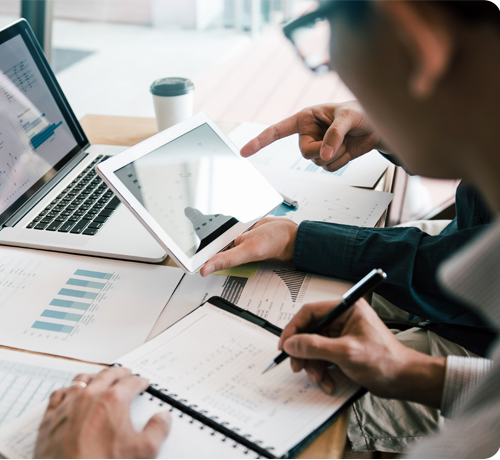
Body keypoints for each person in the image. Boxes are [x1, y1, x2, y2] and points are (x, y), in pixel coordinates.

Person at [35, 0, 500, 457]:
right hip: (465, 338)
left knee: (286, 408)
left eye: (321, 18)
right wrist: (408, 372)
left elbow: (447, 272)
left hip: (470, 338)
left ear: (416, 42)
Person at [199, 101, 494, 453]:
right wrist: (385, 132)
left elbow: (458, 275)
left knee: (272, 405)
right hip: (461, 240)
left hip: (481, 350)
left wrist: (300, 241)